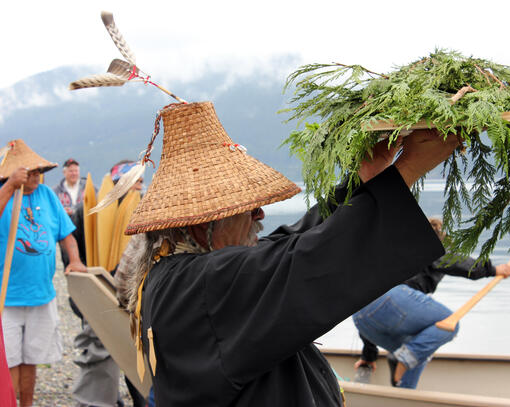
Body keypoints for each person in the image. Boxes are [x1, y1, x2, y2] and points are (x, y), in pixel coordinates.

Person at [116, 101, 459, 406]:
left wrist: (362, 181)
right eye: (247, 207)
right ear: (197, 224)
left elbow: (287, 243)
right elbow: (307, 262)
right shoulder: (204, 285)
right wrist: (409, 168)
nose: (260, 215)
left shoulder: (178, 273)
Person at [352, 217, 510, 388]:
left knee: (419, 352)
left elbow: (373, 309)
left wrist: (368, 356)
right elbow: (457, 262)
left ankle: (404, 392)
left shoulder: (398, 249)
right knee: (450, 323)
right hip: (391, 299)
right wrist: (493, 269)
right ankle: (404, 359)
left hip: (360, 315)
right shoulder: (428, 244)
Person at [0, 140, 87, 407]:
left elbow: (67, 235)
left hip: (42, 295)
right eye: (31, 171)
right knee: (9, 362)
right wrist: (11, 186)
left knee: (30, 359)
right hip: (7, 299)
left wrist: (75, 260)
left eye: (39, 171)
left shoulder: (47, 195)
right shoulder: (5, 194)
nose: (36, 175)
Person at [69, 160, 144, 407]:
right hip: (98, 295)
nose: (140, 187)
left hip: (136, 300)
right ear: (119, 183)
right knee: (101, 356)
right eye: (136, 182)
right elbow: (74, 258)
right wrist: (82, 296)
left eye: (141, 182)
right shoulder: (86, 210)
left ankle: (140, 401)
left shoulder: (144, 211)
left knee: (137, 357)